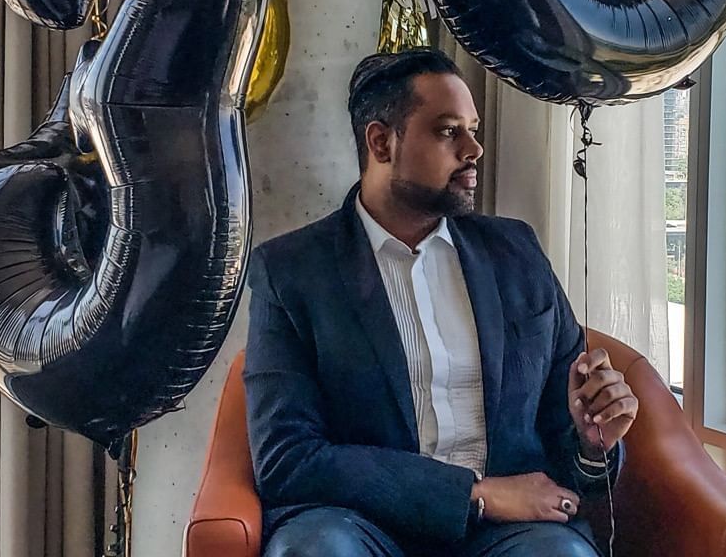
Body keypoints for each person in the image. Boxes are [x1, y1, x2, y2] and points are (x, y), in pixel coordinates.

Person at [245, 48, 639, 556]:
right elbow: (286, 459)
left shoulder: (516, 253)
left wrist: (592, 443)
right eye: (449, 131)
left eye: (473, 129)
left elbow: (567, 448)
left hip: (513, 533)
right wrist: (473, 495)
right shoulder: (292, 271)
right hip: (358, 524)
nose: (474, 148)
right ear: (382, 141)